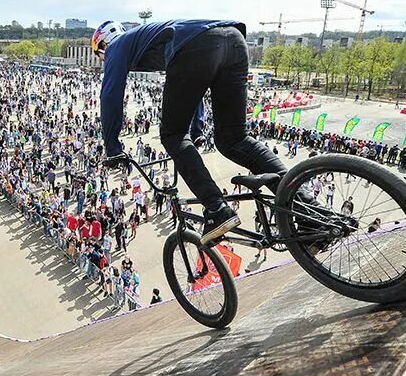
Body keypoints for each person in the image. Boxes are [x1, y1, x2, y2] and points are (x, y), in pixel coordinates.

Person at [96, 19, 286, 246]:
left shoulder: (117, 46)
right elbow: (192, 84)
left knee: (173, 136)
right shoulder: (144, 40)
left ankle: (217, 208)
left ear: (103, 45)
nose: (104, 62)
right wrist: (197, 128)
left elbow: (110, 94)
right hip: (234, 41)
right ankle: (301, 200)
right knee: (233, 139)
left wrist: (113, 148)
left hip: (198, 47)